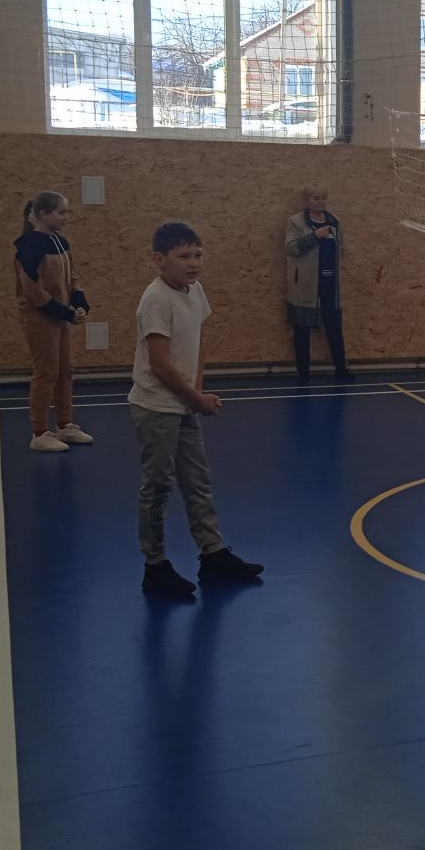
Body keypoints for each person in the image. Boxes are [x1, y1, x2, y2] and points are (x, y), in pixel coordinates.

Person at [129, 221, 263, 599]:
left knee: (197, 481)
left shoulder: (195, 291)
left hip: (183, 403)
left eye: (198, 255)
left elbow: (199, 341)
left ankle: (213, 554)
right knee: (157, 487)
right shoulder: (156, 299)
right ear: (159, 260)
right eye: (183, 256)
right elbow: (159, 364)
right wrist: (195, 399)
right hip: (157, 408)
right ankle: (155, 565)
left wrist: (196, 392)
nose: (193, 263)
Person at [14, 191, 94, 453]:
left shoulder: (61, 242)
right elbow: (34, 292)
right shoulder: (28, 247)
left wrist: (79, 303)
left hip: (59, 316)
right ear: (42, 214)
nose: (66, 217)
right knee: (46, 371)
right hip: (40, 318)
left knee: (65, 369)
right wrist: (66, 313)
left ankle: (64, 424)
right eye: (61, 212)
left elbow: (72, 276)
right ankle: (39, 432)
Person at [284, 184, 353, 383]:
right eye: (315, 198)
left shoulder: (334, 222)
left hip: (330, 285)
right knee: (302, 331)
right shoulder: (296, 222)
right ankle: (303, 374)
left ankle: (341, 370)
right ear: (307, 201)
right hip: (305, 287)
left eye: (323, 198)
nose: (320, 202)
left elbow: (341, 247)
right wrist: (314, 237)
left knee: (334, 329)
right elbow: (290, 248)